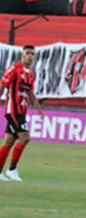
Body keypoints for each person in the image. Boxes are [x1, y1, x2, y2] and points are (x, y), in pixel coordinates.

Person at [0, 45, 44, 182]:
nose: (30, 56)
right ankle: (12, 169)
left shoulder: (31, 74)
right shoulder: (14, 69)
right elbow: (2, 85)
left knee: (8, 141)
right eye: (27, 53)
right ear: (22, 55)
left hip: (22, 111)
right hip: (13, 110)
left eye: (32, 54)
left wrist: (39, 109)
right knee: (25, 138)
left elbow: (30, 93)